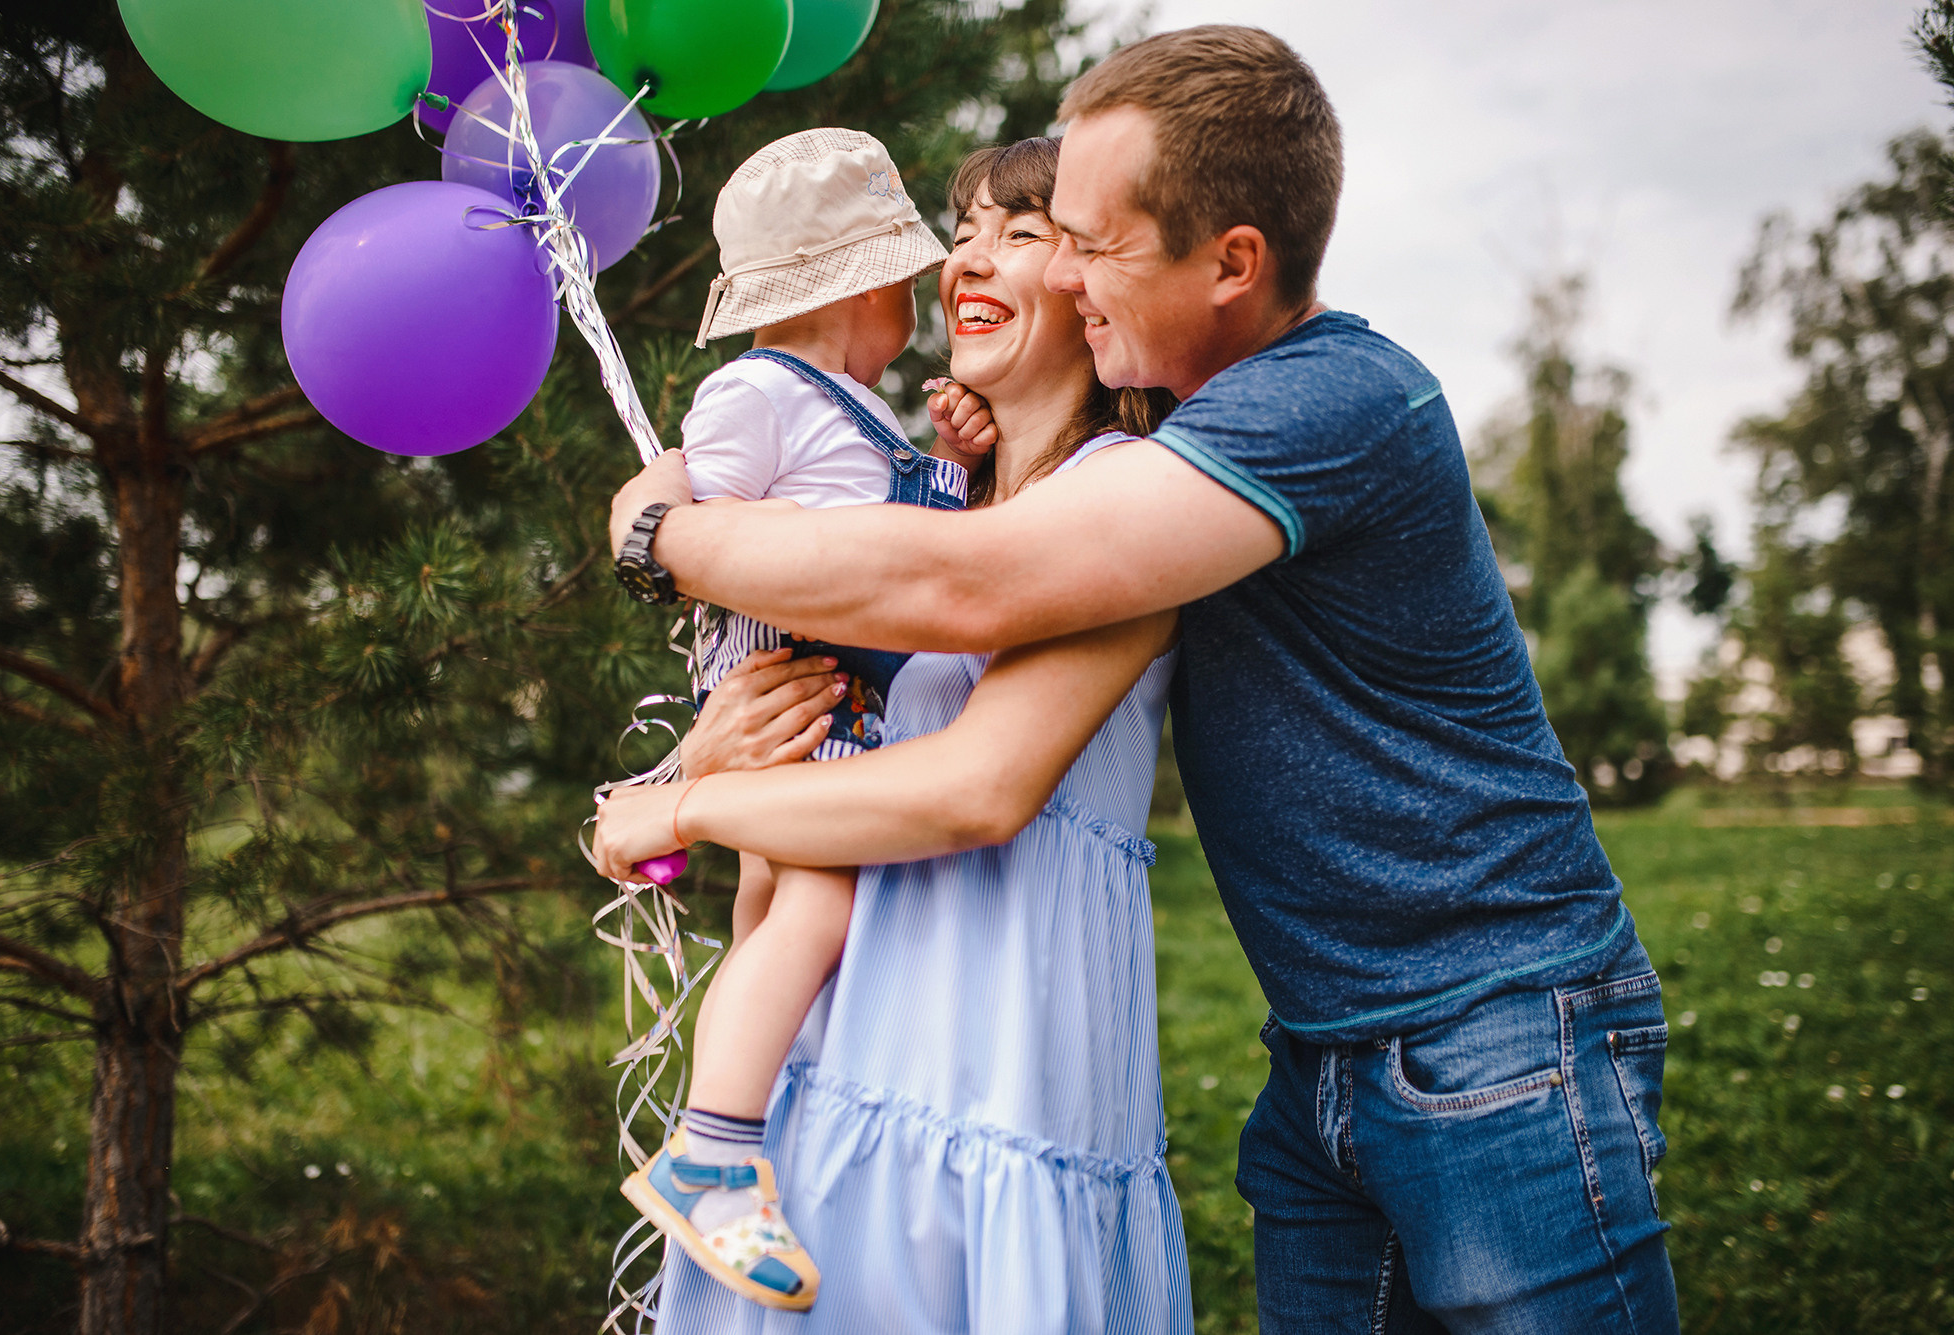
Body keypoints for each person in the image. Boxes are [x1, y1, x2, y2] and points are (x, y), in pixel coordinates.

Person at [607, 26, 1681, 1334]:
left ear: (1231, 260)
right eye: (1015, 229)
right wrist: (725, 740)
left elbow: (973, 662)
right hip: (1304, 1048)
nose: (1030, 258)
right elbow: (895, 625)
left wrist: (660, 538)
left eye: (1078, 237)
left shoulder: (1303, 408)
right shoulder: (1007, 475)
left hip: (1494, 1019)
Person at [595, 136, 1192, 1332]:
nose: (967, 257)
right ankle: (719, 1145)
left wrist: (677, 804)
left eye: (1020, 234)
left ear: (1096, 287)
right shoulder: (934, 502)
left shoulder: (1130, 492)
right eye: (961, 231)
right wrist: (693, 756)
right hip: (840, 1068)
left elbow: (972, 787)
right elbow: (703, 527)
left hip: (997, 1066)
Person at [616, 127, 993, 1311]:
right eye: (906, 288)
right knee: (813, 906)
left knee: (770, 919)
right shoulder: (756, 390)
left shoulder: (855, 411)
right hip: (791, 696)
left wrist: (948, 458)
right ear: (871, 285)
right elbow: (706, 534)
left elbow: (899, 533)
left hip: (840, 705)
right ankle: (711, 1151)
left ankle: (749, 1128)